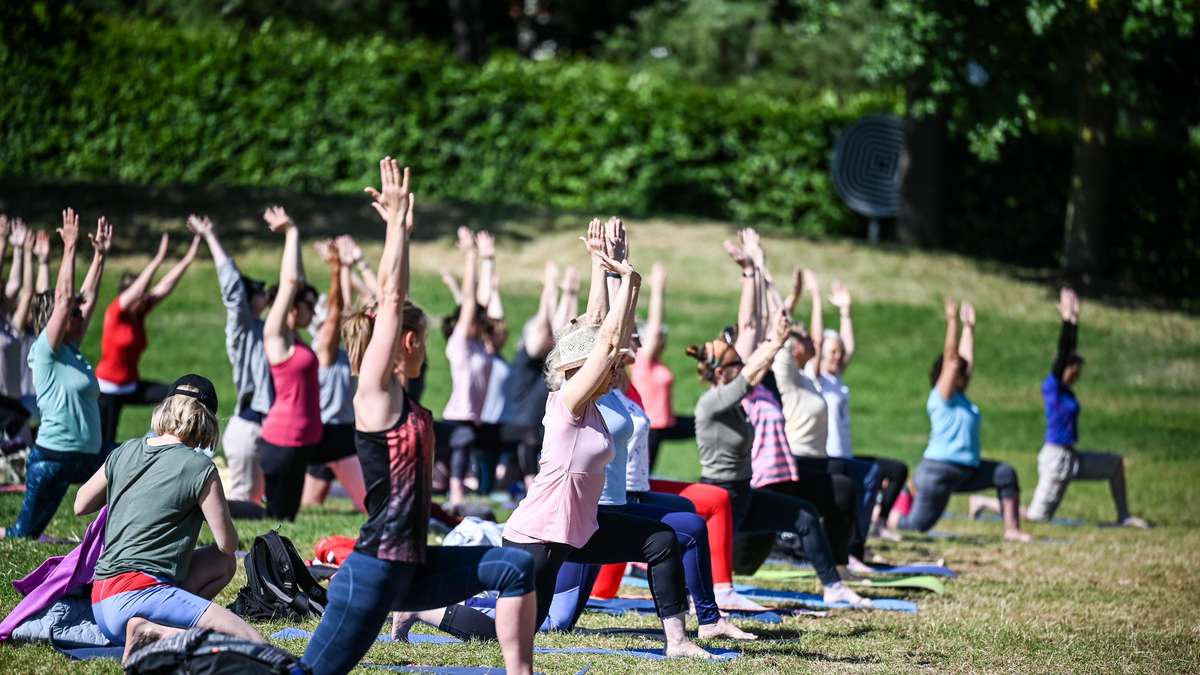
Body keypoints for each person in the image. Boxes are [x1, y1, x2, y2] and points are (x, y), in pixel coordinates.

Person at [403, 218, 715, 659]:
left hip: (583, 528)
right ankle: (420, 609)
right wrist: (630, 281)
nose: (614, 365)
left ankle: (678, 641)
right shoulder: (568, 402)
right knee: (510, 634)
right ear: (576, 370)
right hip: (540, 535)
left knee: (661, 540)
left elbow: (602, 332)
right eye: (601, 363)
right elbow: (605, 342)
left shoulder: (597, 405)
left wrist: (604, 267)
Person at [301, 158, 537, 675]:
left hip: (415, 566)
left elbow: (394, 300)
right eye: (423, 340)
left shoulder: (402, 399)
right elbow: (390, 298)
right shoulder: (374, 394)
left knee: (516, 565)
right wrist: (396, 228)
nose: (426, 350)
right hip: (375, 570)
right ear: (407, 341)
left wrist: (448, 518)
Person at [688, 308, 872, 607]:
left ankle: (834, 587)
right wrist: (775, 342)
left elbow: (752, 369)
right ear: (720, 373)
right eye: (737, 365)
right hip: (721, 498)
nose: (745, 367)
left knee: (805, 516)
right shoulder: (711, 404)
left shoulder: (738, 399)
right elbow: (748, 376)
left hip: (744, 494)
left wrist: (776, 337)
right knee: (716, 565)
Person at [74, 374, 263, 662]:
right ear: (206, 421)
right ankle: (156, 632)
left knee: (219, 564)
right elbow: (228, 544)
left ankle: (158, 627)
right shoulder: (199, 467)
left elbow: (80, 504)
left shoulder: (126, 450)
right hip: (139, 594)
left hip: (101, 601)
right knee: (252, 640)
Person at [972, 288, 1150, 528]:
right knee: (1036, 517)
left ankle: (1124, 516)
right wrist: (1068, 321)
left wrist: (1075, 318)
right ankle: (982, 502)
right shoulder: (1053, 386)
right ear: (1064, 368)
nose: (1078, 374)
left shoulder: (1067, 392)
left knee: (1115, 464)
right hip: (1055, 460)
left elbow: (1068, 353)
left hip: (1072, 457)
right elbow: (1064, 349)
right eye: (1074, 369)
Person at [1, 209, 112, 540]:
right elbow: (64, 300)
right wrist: (70, 247)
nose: (80, 315)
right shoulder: (45, 351)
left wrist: (100, 256)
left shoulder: (72, 351)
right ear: (56, 317)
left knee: (133, 460)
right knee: (23, 533)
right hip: (52, 460)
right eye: (73, 313)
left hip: (88, 457)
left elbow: (85, 300)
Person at [890, 300, 1032, 542]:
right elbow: (954, 360)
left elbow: (965, 362)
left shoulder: (962, 399)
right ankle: (888, 514)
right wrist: (952, 322)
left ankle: (1012, 530)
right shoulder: (941, 396)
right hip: (938, 473)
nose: (965, 375)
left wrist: (969, 328)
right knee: (916, 527)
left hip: (968, 470)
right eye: (959, 373)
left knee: (1005, 474)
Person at [186, 214, 272, 514]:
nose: (266, 293)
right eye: (259, 289)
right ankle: (193, 510)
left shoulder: (269, 329)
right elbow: (233, 289)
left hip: (264, 428)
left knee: (261, 506)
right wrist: (211, 236)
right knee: (248, 506)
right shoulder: (243, 329)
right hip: (249, 427)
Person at [815, 282, 910, 541]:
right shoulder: (816, 379)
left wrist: (846, 311)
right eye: (832, 352)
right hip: (830, 458)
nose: (838, 356)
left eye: (839, 352)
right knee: (859, 489)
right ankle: (853, 544)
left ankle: (879, 525)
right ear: (820, 353)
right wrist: (816, 301)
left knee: (895, 470)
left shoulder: (836, 379)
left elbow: (849, 348)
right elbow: (822, 343)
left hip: (845, 455)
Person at [95, 230, 201, 446]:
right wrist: (158, 259)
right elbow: (138, 291)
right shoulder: (115, 313)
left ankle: (156, 443)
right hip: (108, 389)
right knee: (105, 446)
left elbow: (165, 287)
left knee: (174, 395)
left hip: (131, 386)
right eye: (139, 295)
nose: (144, 299)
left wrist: (189, 258)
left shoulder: (139, 312)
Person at [259, 207, 322, 521]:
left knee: (288, 520)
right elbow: (291, 281)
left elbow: (299, 283)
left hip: (302, 441)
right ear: (293, 308)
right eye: (308, 305)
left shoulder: (296, 339)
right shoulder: (276, 336)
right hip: (282, 439)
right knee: (275, 519)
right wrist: (292, 232)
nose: (314, 309)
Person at [299, 238, 366, 512]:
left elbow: (345, 311)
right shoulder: (322, 348)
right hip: (329, 433)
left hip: (341, 433)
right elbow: (338, 312)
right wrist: (336, 269)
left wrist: (346, 267)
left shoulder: (339, 350)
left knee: (311, 506)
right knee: (364, 505)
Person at [441, 227, 493, 504]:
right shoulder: (459, 343)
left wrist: (488, 261)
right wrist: (471, 257)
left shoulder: (479, 345)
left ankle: (461, 486)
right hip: (458, 415)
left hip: (475, 418)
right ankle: (456, 493)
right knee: (462, 441)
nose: (480, 322)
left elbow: (480, 302)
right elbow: (471, 302)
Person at [631, 263, 694, 470]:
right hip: (651, 428)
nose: (661, 339)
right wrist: (658, 289)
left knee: (708, 423)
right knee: (643, 475)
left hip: (667, 424)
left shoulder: (656, 363)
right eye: (657, 338)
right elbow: (655, 328)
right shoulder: (642, 359)